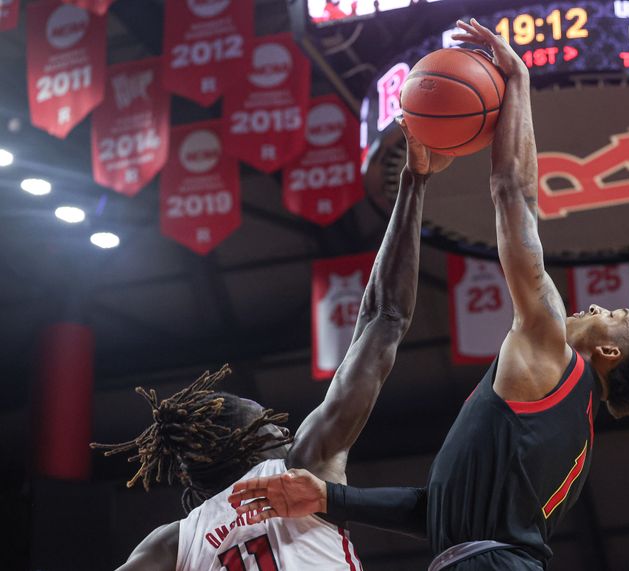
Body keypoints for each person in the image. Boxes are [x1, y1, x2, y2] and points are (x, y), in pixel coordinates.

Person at [227, 19, 629, 571]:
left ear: (610, 354)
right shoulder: (575, 436)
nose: (595, 306)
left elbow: (513, 194)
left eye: (614, 315)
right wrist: (329, 498)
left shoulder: (551, 353)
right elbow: (435, 511)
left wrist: (516, 83)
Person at [90, 117, 453, 571]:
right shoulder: (303, 468)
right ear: (250, 445)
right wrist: (414, 182)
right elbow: (386, 317)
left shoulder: (170, 543)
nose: (284, 429)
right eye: (268, 424)